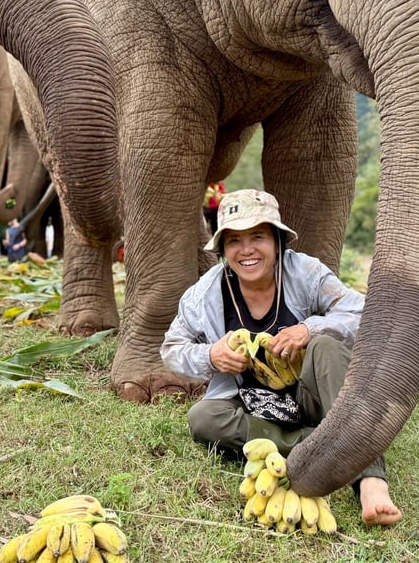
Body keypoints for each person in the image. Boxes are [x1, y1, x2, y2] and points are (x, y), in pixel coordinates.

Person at [161, 189, 402, 526]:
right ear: (222, 250)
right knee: (203, 418)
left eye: (257, 236)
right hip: (253, 408)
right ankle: (327, 443)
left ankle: (370, 480)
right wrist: (211, 355)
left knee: (327, 347)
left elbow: (363, 313)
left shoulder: (307, 273)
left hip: (311, 397)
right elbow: (171, 349)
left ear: (277, 240)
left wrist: (310, 329)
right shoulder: (204, 295)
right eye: (233, 241)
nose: (245, 250)